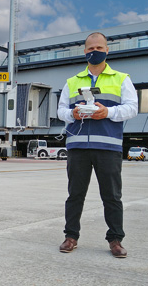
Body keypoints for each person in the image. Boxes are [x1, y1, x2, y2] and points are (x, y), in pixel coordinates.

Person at [57, 32, 138, 258]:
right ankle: (71, 236)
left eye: (100, 48)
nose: (95, 51)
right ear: (85, 51)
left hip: (108, 148)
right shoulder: (72, 82)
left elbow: (132, 107)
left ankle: (115, 240)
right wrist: (72, 113)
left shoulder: (121, 78)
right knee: (75, 195)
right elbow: (60, 110)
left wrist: (108, 112)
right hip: (78, 147)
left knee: (112, 196)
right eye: (91, 48)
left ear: (107, 50)